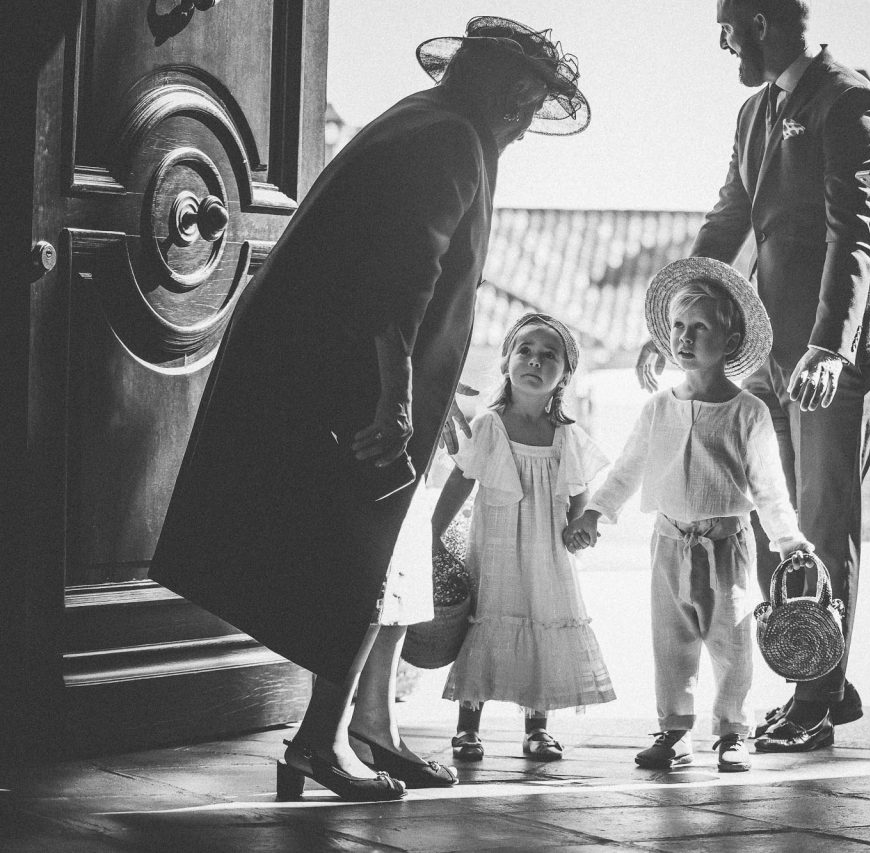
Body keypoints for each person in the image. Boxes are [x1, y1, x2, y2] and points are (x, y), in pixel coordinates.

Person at [149, 16, 590, 802]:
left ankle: (369, 727)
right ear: (496, 92)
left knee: (389, 552)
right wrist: (395, 397)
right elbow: (402, 274)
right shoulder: (451, 139)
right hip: (346, 373)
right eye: (520, 104)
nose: (524, 124)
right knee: (360, 551)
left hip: (334, 359)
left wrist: (428, 390)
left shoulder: (420, 120)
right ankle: (321, 739)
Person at [638, 0, 870, 752]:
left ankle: (814, 698)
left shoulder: (850, 101)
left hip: (832, 358)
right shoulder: (754, 113)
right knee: (767, 518)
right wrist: (674, 326)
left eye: (726, 30)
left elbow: (856, 235)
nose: (724, 47)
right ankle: (821, 670)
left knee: (821, 523)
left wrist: (830, 347)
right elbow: (727, 225)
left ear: (756, 22)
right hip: (765, 355)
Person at [574, 258, 813, 773]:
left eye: (699, 328)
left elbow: (770, 486)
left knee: (730, 641)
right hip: (668, 543)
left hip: (725, 545)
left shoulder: (748, 411)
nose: (684, 337)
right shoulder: (657, 407)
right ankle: (674, 730)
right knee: (672, 640)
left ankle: (731, 732)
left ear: (729, 342)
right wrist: (596, 512)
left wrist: (789, 541)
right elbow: (627, 468)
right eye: (679, 327)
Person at [431, 313, 614, 763]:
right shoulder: (491, 425)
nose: (534, 361)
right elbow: (461, 478)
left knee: (542, 619)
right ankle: (468, 729)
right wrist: (433, 534)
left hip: (546, 550)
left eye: (548, 355)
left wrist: (579, 526)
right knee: (486, 618)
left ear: (565, 375)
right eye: (525, 351)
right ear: (506, 362)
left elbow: (578, 490)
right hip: (494, 546)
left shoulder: (565, 434)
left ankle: (537, 729)